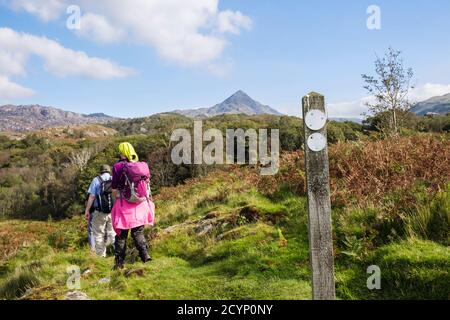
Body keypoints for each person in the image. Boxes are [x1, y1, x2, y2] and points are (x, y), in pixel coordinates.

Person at [111, 142, 155, 270]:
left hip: (124, 204)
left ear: (121, 152)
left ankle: (119, 263)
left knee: (121, 235)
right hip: (140, 204)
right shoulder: (140, 165)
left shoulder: (117, 166)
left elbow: (114, 187)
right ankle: (145, 256)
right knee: (138, 232)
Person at [84, 164, 115, 257]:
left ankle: (101, 256)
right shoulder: (113, 179)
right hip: (112, 211)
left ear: (100, 171)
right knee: (112, 232)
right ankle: (118, 253)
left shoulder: (96, 180)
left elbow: (92, 196)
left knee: (98, 234)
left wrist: (87, 210)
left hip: (99, 212)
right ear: (109, 170)